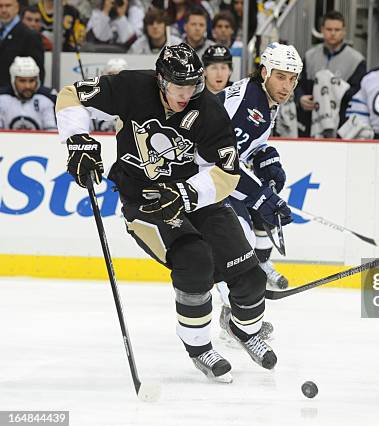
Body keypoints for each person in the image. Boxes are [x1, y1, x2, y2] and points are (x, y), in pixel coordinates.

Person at [55, 43, 278, 382]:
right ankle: (199, 347)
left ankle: (243, 330)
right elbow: (71, 94)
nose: (186, 94)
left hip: (195, 198)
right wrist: (78, 141)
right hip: (143, 199)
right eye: (178, 86)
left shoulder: (209, 111)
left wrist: (187, 193)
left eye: (193, 85)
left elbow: (227, 172)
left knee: (250, 277)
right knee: (195, 261)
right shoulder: (130, 87)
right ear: (161, 80)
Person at [214, 43, 301, 338]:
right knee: (238, 241)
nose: (286, 86)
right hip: (201, 179)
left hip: (214, 180)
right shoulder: (248, 103)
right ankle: (235, 318)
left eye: (292, 79)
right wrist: (260, 195)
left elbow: (245, 149)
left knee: (242, 241)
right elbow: (220, 160)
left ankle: (233, 313)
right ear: (264, 72)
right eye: (280, 77)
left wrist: (266, 159)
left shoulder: (262, 98)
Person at [294, 10, 366, 137]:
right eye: (329, 29)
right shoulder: (310, 55)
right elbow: (297, 83)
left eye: (337, 30)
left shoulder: (356, 59)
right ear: (322, 29)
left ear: (344, 31)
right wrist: (300, 98)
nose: (333, 33)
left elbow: (358, 93)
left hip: (341, 126)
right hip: (309, 123)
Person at [0, 56, 56, 130]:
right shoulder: (2, 99)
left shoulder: (47, 99)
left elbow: (52, 133)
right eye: (22, 81)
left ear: (37, 80)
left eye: (32, 80)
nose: (27, 86)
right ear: (13, 80)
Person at [0, 0, 44, 87]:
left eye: (8, 6)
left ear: (17, 8)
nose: (3, 10)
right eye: (0, 6)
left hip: (15, 96)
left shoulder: (30, 36)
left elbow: (38, 72)